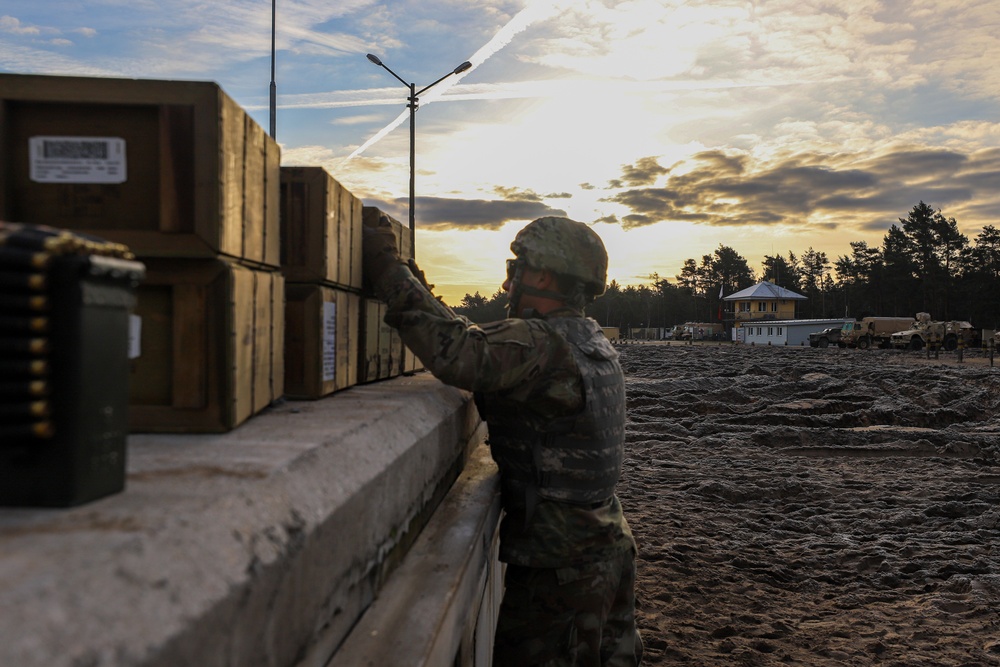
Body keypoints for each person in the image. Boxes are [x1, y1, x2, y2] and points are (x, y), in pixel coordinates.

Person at [363, 215, 643, 667]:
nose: (508, 281)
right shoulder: (587, 340)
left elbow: (458, 352)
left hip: (561, 567)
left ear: (543, 275)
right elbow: (477, 341)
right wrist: (421, 289)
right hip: (603, 548)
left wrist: (388, 270)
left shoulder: (542, 344)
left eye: (517, 268)